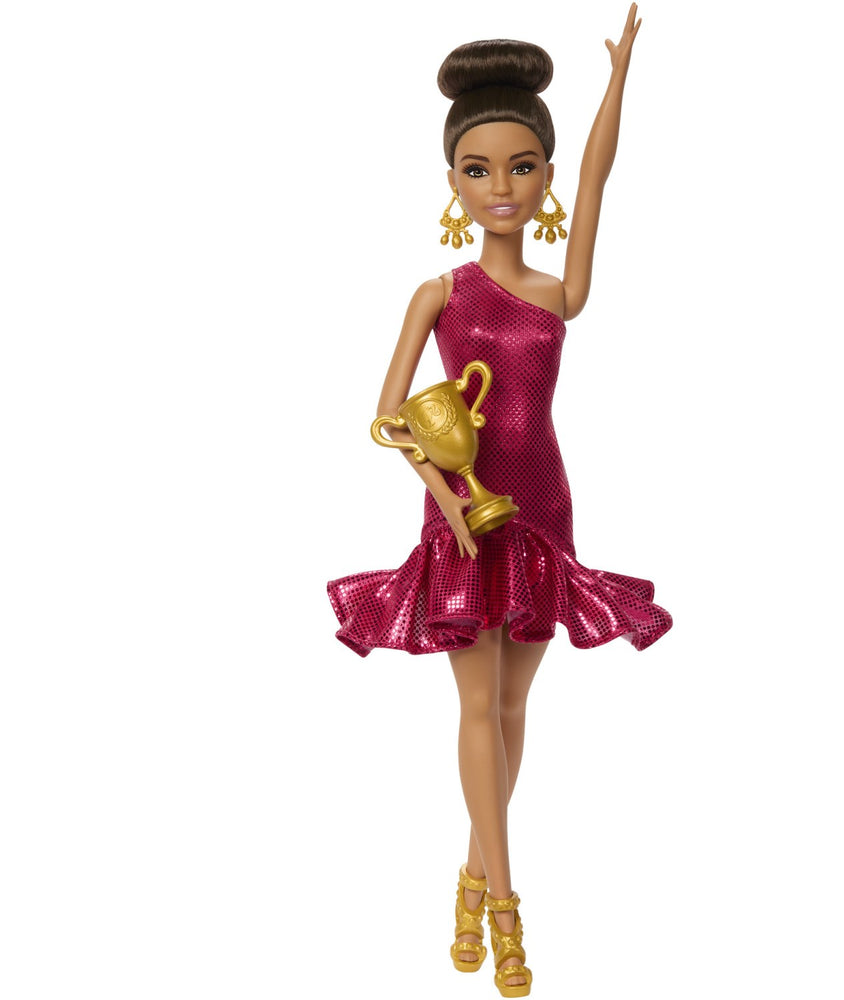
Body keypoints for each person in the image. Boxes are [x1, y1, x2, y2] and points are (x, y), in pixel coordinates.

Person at [327, 6, 670, 995]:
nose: (502, 187)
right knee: (477, 704)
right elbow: (387, 416)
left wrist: (618, 81)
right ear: (452, 183)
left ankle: (472, 875)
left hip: (544, 507)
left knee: (516, 704)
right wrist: (444, 497)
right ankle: (508, 907)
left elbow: (601, 178)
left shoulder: (560, 294)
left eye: (521, 167)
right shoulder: (438, 293)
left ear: (544, 175)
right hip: (463, 517)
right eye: (479, 170)